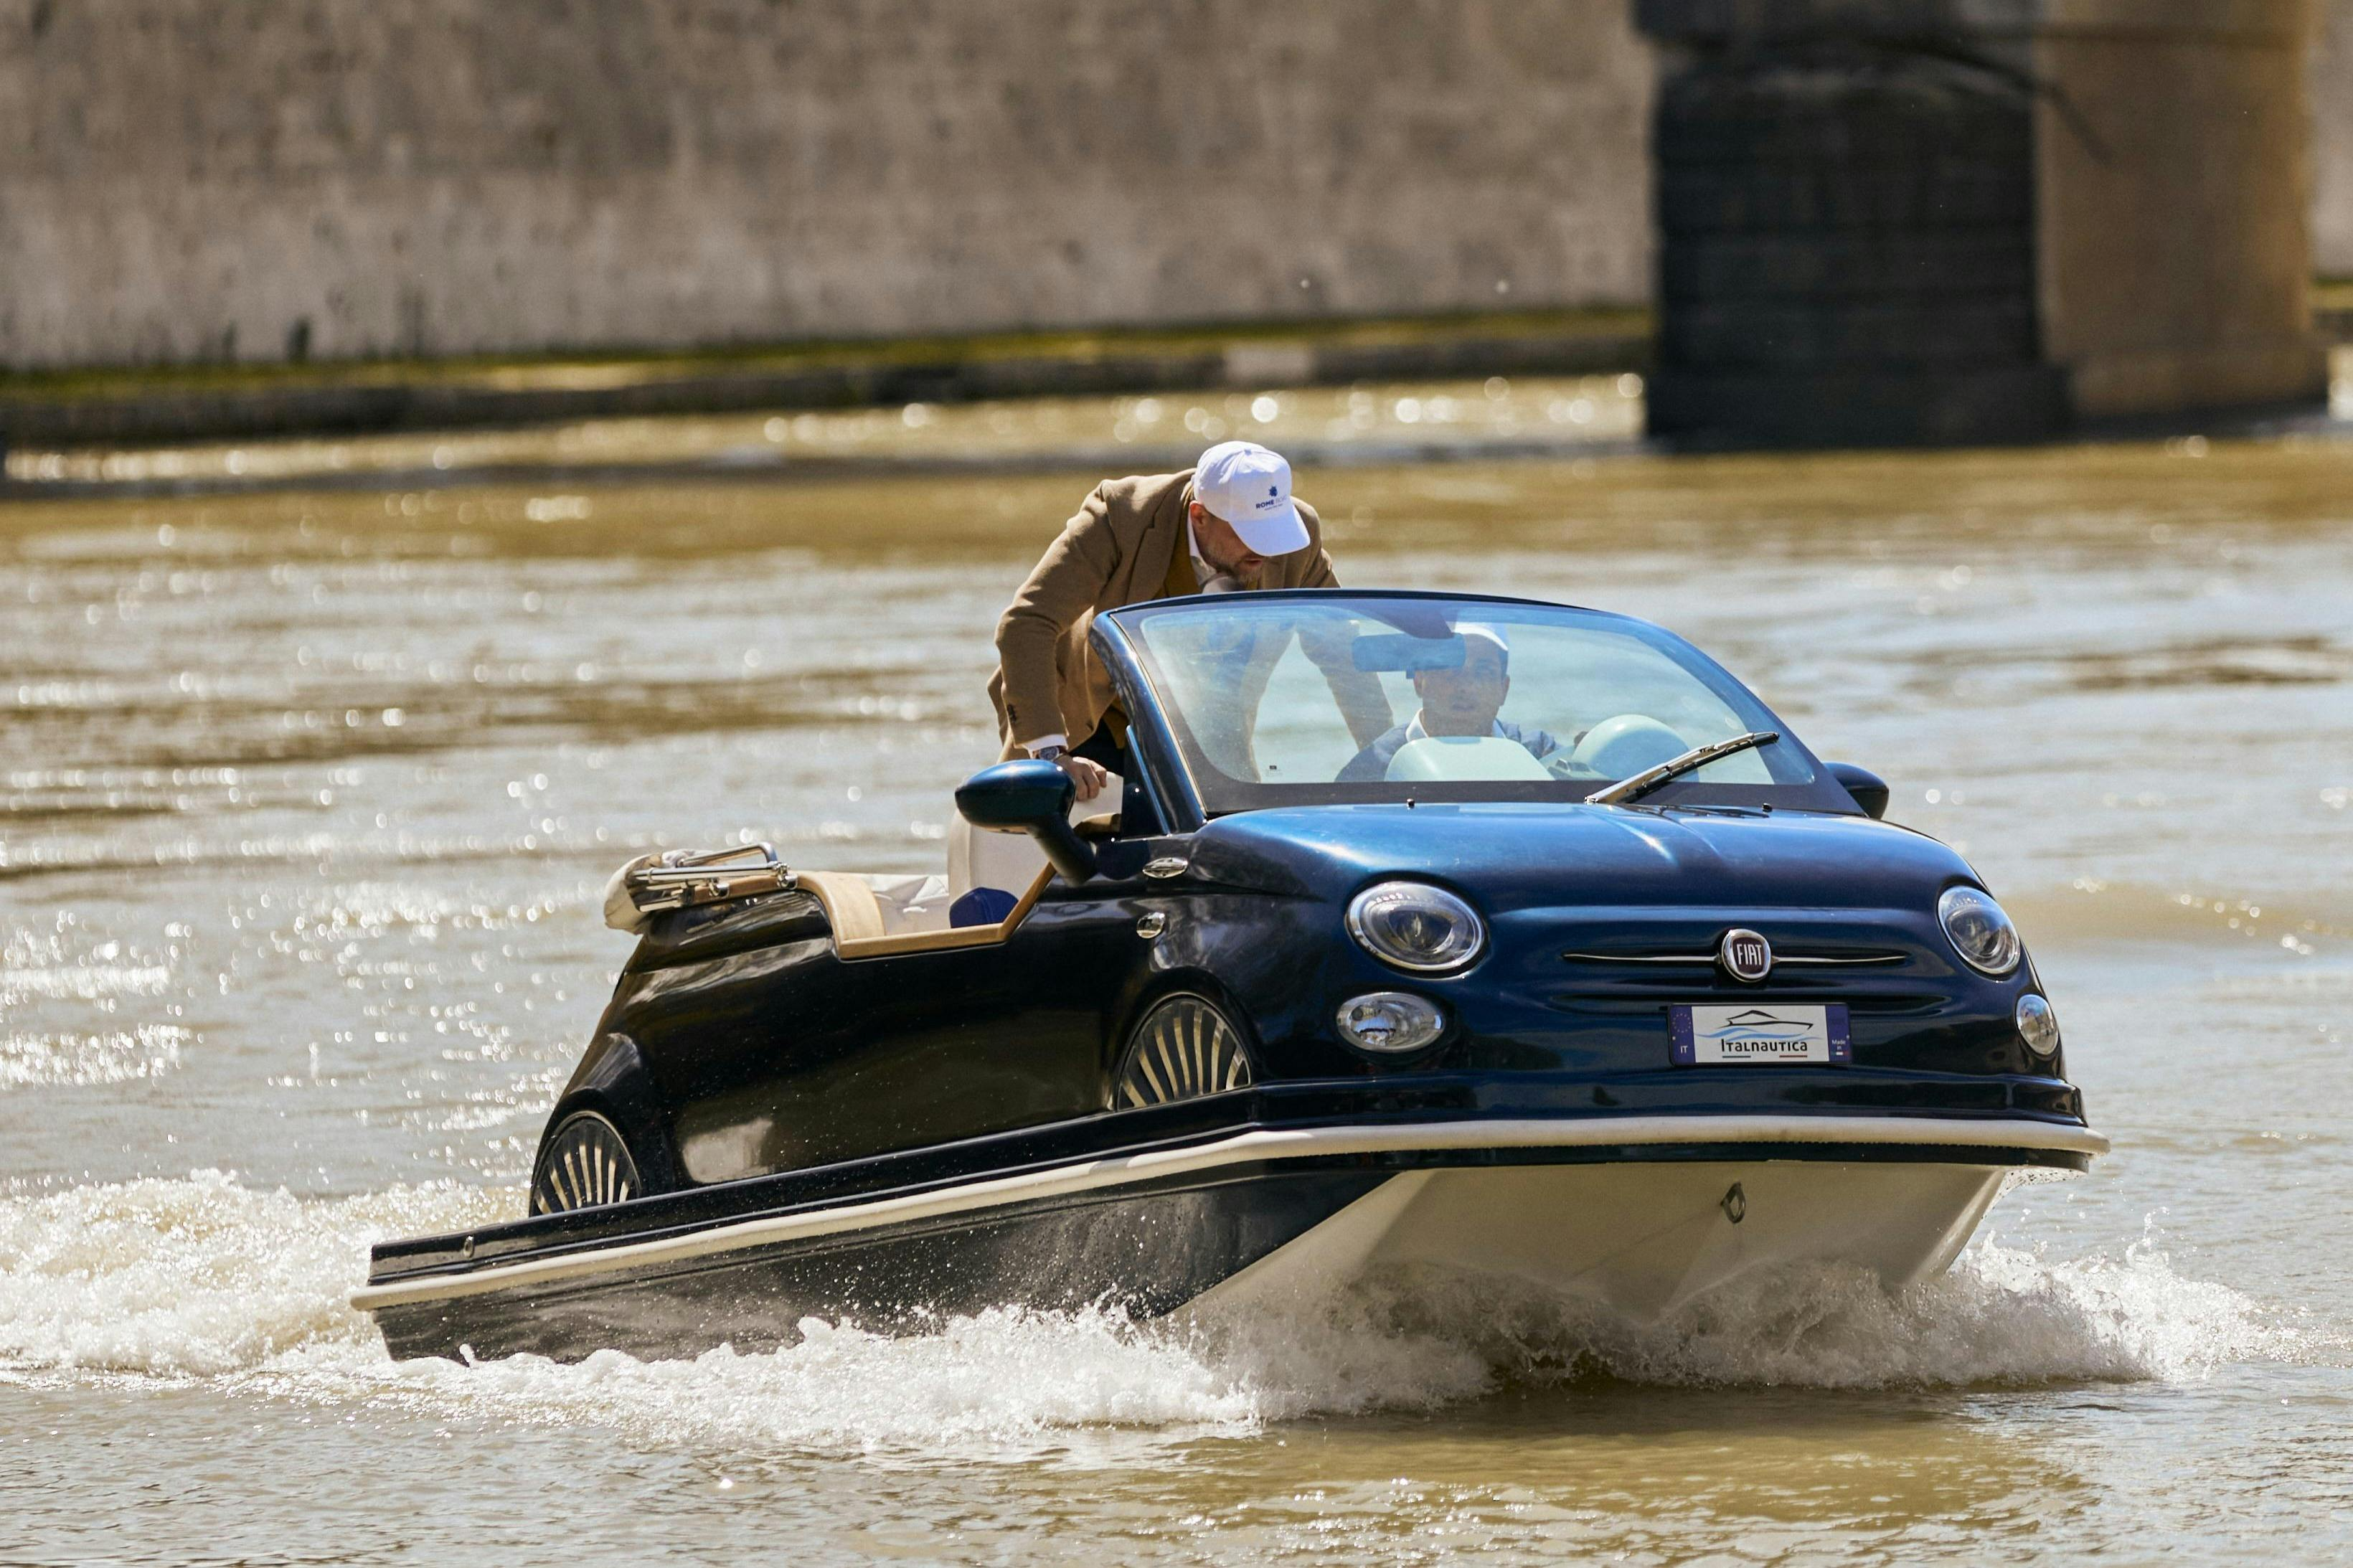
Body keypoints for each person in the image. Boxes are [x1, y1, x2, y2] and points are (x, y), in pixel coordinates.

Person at [989, 440, 1389, 799]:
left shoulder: (1298, 537)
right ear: (1199, 516)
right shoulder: (1119, 516)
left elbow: (1340, 650)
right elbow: (1027, 623)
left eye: (1274, 531)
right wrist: (1051, 753)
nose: (1268, 551)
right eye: (1252, 533)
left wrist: (1387, 754)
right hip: (1090, 724)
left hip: (1205, 741)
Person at [1337, 623, 1563, 782]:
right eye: (1450, 668)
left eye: (1482, 671)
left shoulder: (1540, 755)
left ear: (1503, 689)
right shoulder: (1373, 771)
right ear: (1419, 680)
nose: (1465, 686)